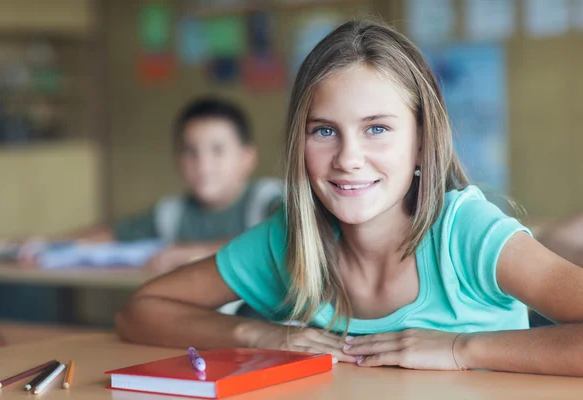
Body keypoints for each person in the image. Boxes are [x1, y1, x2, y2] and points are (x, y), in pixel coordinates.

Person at [115, 20, 583, 376]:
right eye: (324, 131)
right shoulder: (289, 241)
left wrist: (460, 349)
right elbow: (139, 312)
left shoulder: (466, 233)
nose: (349, 158)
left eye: (376, 129)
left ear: (421, 141)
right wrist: (260, 332)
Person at [19, 97, 283, 272]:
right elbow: (113, 234)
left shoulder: (270, 199)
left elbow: (282, 238)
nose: (203, 164)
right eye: (190, 151)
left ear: (248, 157)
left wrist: (189, 252)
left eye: (217, 150)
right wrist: (49, 243)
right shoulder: (172, 213)